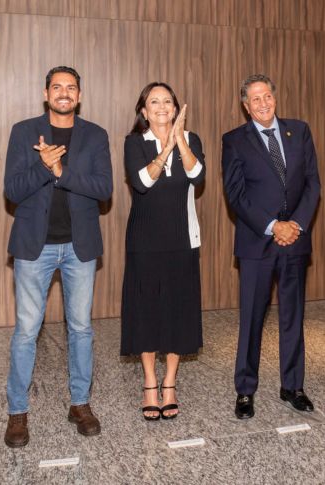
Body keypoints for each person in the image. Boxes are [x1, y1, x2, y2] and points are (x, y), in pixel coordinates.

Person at [3, 66, 113, 447]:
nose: (64, 93)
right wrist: (41, 165)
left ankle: (80, 404)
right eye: (57, 87)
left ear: (79, 95)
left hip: (79, 248)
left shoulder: (96, 135)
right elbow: (13, 190)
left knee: (81, 328)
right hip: (35, 247)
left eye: (71, 87)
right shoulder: (23, 131)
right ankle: (17, 412)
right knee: (26, 331)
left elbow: (104, 189)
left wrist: (61, 170)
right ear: (45, 93)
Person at [221, 74, 321, 419]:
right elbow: (236, 194)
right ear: (245, 106)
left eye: (267, 97)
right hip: (256, 242)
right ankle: (245, 390)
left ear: (274, 98)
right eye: (255, 99)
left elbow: (312, 183)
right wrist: (271, 225)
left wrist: (295, 225)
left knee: (293, 316)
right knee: (251, 318)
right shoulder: (234, 140)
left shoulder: (300, 131)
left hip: (295, 240)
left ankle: (293, 386)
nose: (263, 104)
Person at [120, 82, 205, 420]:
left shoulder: (192, 139)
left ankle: (170, 382)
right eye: (153, 101)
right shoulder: (134, 143)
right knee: (146, 311)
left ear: (174, 108)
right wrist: (163, 149)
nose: (160, 107)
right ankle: (150, 383)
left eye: (166, 101)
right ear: (143, 111)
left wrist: (180, 140)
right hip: (144, 240)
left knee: (176, 310)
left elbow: (198, 176)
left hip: (183, 238)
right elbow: (142, 182)